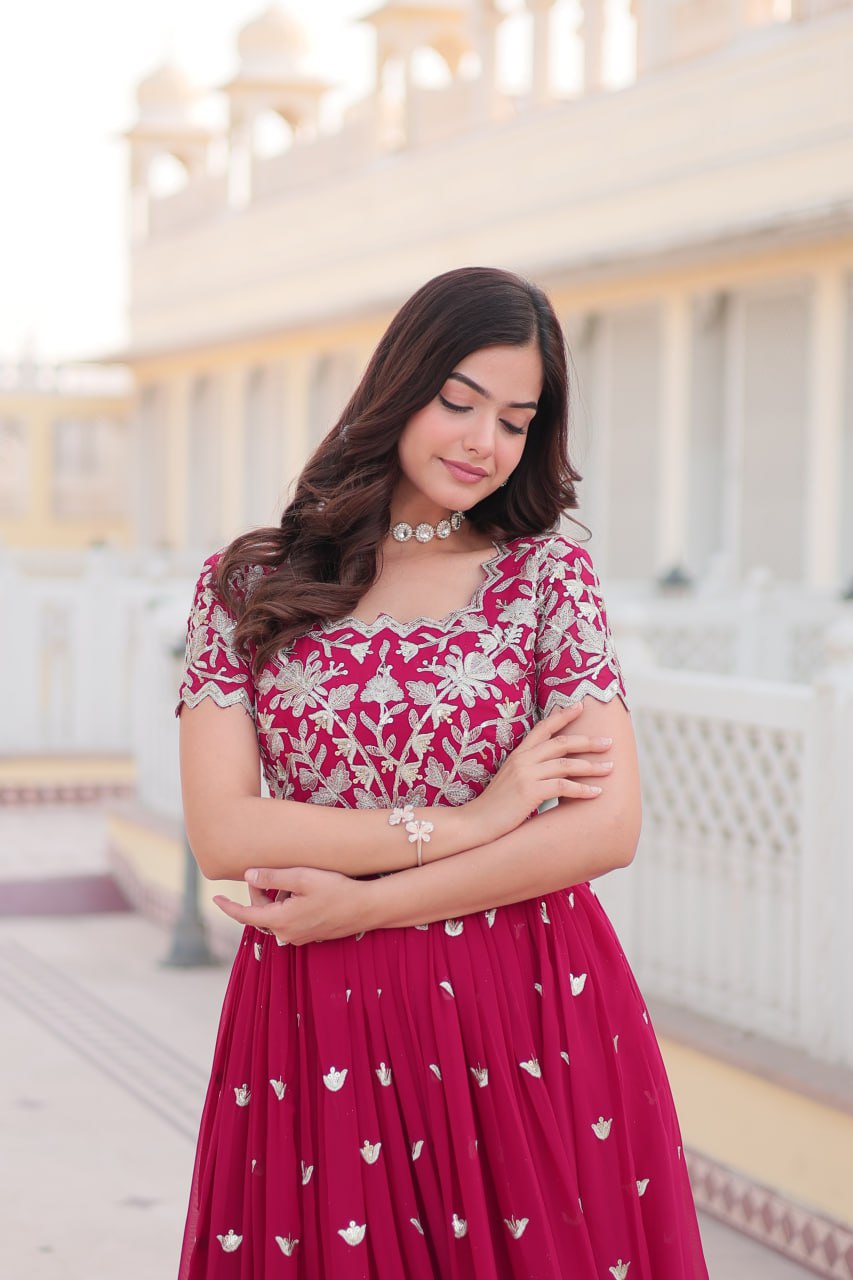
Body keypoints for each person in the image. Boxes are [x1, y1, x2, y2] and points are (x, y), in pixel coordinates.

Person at [175, 266, 709, 1279]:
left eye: (515, 419)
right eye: (459, 402)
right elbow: (225, 829)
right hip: (311, 1018)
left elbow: (604, 829)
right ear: (399, 387)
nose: (482, 442)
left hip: (520, 1007)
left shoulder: (543, 578)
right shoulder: (248, 581)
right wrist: (471, 818)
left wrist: (367, 906)